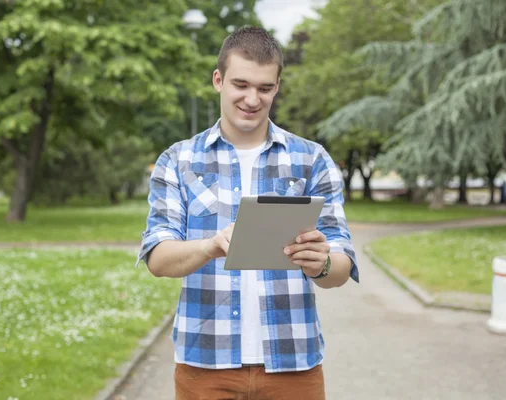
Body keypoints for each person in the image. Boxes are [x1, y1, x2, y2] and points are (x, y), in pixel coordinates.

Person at [137, 26, 359, 400]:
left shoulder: (311, 160)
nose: (252, 99)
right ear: (218, 80)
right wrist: (210, 246)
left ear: (277, 87)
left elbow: (341, 266)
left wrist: (321, 263)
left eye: (265, 88)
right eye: (241, 84)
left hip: (294, 363)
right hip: (203, 365)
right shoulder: (178, 160)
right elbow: (157, 258)